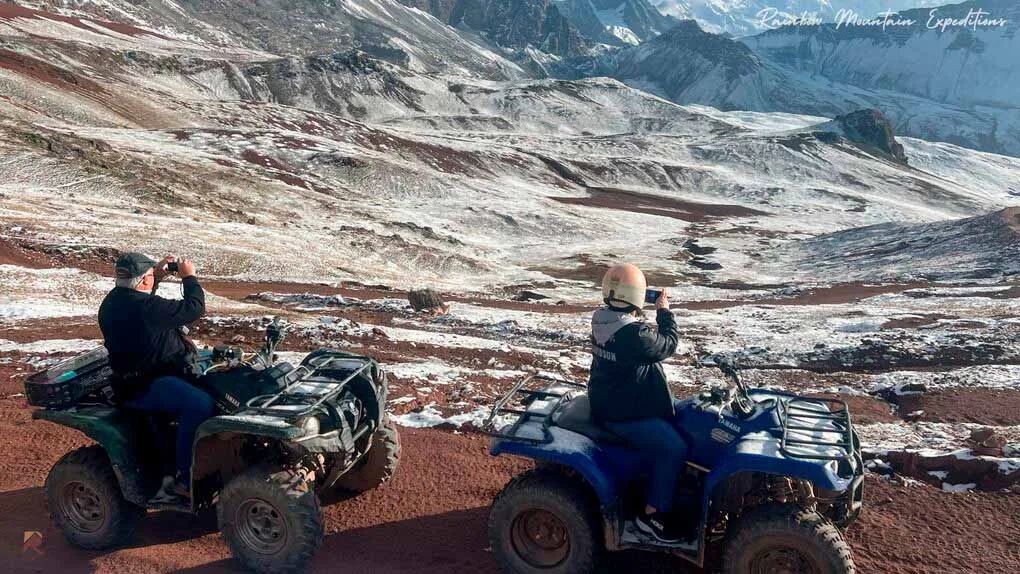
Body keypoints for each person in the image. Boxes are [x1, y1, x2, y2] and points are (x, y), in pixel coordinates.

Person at [98, 252, 214, 501]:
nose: (152, 279)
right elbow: (194, 307)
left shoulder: (112, 302)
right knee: (200, 404)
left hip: (139, 374)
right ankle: (183, 479)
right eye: (150, 276)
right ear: (143, 282)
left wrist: (157, 276)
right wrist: (189, 277)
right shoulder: (148, 308)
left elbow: (138, 298)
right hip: (146, 384)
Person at [588, 262, 687, 543]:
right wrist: (664, 311)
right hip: (621, 412)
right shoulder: (635, 335)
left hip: (611, 396)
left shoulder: (601, 318)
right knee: (673, 448)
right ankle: (652, 517)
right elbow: (667, 344)